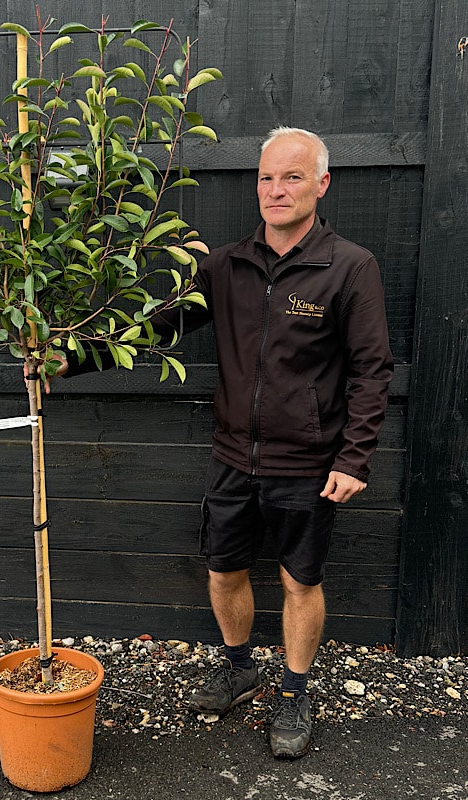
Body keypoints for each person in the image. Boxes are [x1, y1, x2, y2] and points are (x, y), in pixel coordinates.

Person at [48, 127, 393, 759]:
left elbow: (373, 371)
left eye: (291, 177)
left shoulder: (349, 266)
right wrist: (68, 361)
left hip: (307, 463)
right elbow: (158, 328)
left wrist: (354, 456)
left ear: (321, 184)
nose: (275, 189)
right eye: (266, 177)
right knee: (223, 570)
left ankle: (292, 692)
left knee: (299, 580)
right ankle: (240, 668)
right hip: (234, 456)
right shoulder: (227, 264)